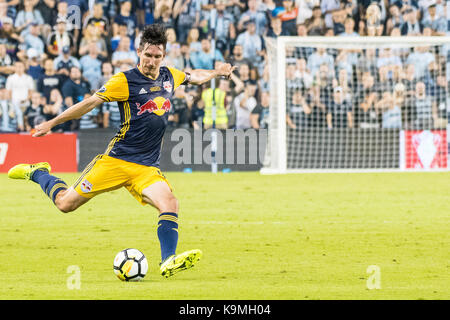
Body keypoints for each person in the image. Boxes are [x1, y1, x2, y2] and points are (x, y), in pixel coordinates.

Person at [8, 24, 235, 279]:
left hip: (146, 168)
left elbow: (194, 76)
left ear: (163, 56)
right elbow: (89, 103)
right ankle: (39, 172)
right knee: (64, 204)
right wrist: (52, 123)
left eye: (156, 56)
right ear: (139, 52)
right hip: (115, 161)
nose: (151, 61)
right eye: (147, 55)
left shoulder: (170, 76)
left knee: (170, 203)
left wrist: (217, 72)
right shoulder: (124, 81)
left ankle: (168, 260)